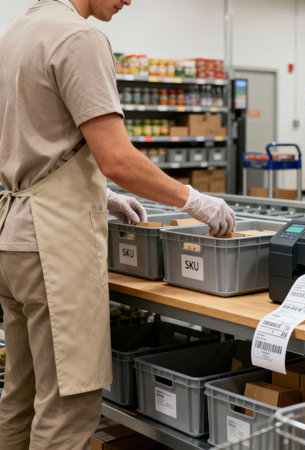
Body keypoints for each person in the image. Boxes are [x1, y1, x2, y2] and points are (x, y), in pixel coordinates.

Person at [0, 0, 236, 449]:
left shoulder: (16, 34)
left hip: (13, 239)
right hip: (54, 247)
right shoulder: (79, 38)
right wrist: (194, 199)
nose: (130, 0)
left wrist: (97, 196)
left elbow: (30, 143)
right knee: (67, 406)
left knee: (21, 395)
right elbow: (118, 159)